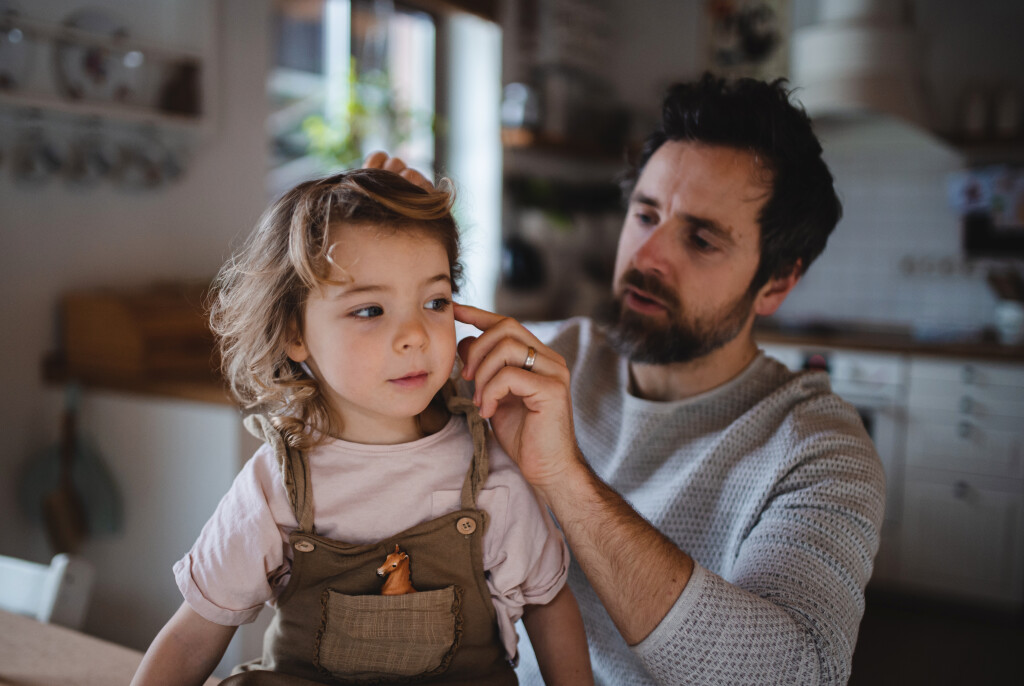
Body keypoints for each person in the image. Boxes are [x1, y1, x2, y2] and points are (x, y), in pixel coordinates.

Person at [368, 73, 886, 685]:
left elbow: (796, 674)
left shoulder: (819, 450)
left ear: (776, 282)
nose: (646, 256)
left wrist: (566, 480)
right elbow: (343, 408)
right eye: (645, 214)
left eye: (701, 239)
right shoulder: (539, 358)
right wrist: (378, 260)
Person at [130, 169, 592, 686]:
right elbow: (193, 637)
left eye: (435, 302)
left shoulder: (490, 469)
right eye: (370, 310)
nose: (415, 334)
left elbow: (547, 603)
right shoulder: (276, 482)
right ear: (294, 333)